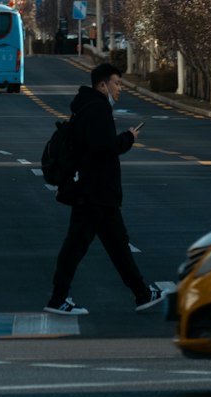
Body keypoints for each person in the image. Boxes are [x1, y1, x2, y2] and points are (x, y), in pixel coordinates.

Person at [45, 61, 165, 316]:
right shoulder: (98, 109)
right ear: (103, 85)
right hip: (93, 193)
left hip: (99, 193)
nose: (120, 88)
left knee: (118, 246)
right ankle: (57, 299)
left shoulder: (87, 107)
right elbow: (104, 148)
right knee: (75, 248)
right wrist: (128, 138)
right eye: (117, 83)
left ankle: (142, 294)